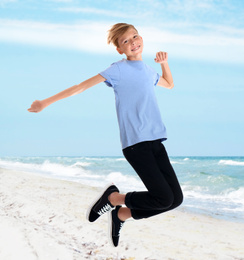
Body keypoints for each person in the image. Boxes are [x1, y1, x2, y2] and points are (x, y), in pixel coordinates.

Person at [28, 23, 183, 247]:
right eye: (125, 41)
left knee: (175, 200)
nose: (132, 43)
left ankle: (121, 215)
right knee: (163, 198)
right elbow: (80, 87)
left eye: (135, 37)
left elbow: (169, 84)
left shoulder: (148, 70)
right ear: (120, 49)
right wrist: (45, 102)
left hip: (156, 141)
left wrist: (164, 63)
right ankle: (113, 199)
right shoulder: (117, 70)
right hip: (136, 144)